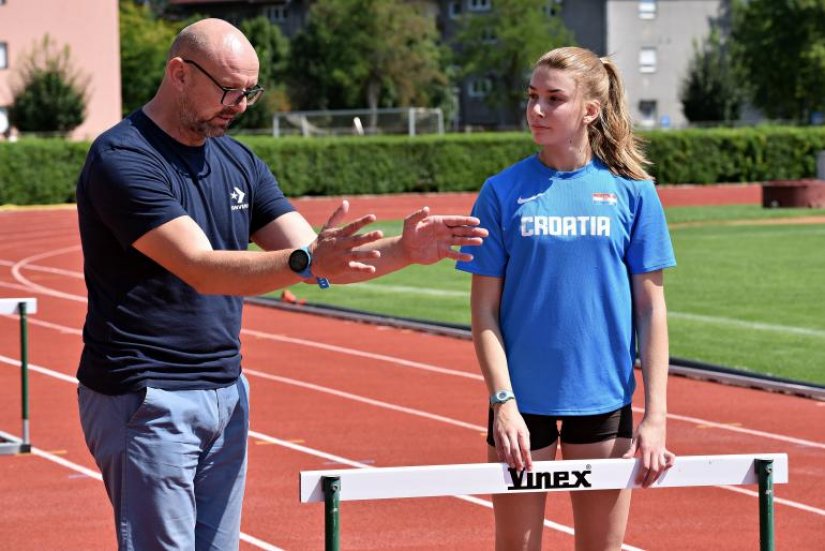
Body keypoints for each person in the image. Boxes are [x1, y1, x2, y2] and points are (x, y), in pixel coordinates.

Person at [75, 18, 487, 551]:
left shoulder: (238, 161)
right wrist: (306, 261)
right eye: (228, 90)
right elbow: (200, 267)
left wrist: (405, 251)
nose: (240, 105)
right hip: (147, 395)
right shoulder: (124, 159)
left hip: (226, 392)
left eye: (250, 92)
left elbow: (317, 255)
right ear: (179, 74)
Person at [456, 46, 676, 550]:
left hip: (603, 399)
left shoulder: (633, 192)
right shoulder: (501, 191)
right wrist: (502, 403)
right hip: (519, 406)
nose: (536, 110)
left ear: (590, 110)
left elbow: (651, 308)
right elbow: (484, 311)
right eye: (532, 97)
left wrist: (656, 417)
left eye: (553, 99)